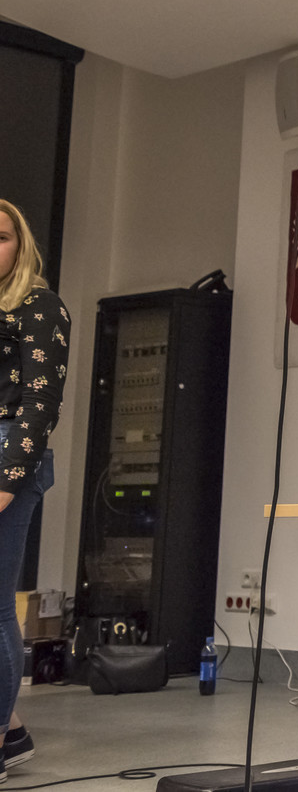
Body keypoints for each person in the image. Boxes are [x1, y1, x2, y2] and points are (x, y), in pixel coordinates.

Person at [0, 200, 67, 781]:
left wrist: (6, 481)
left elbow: (40, 404)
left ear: (20, 245)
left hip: (8, 451)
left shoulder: (38, 305)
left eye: (0, 237)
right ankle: (14, 729)